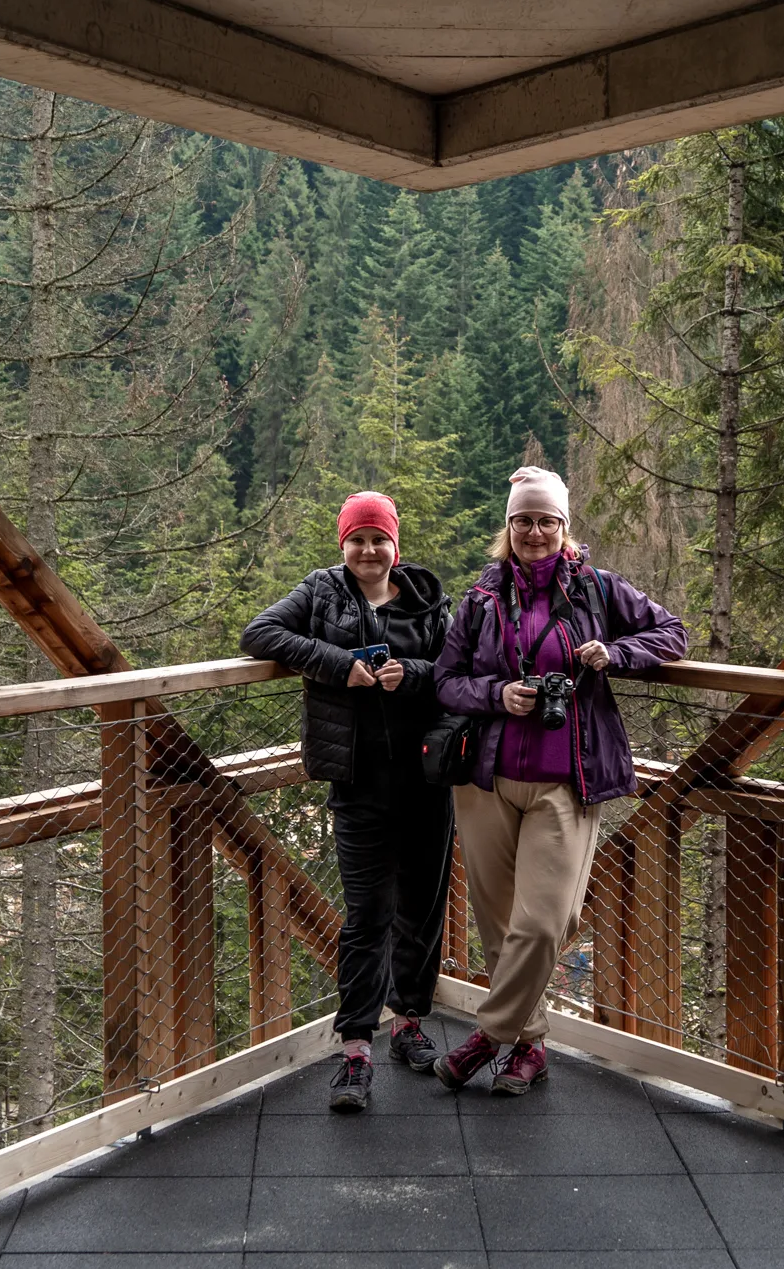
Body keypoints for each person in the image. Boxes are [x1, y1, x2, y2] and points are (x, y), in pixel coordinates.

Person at [431, 466, 687, 1095]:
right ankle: (530, 1046)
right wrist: (498, 693)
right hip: (486, 780)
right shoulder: (482, 598)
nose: (536, 532)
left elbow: (673, 634)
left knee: (545, 923)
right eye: (524, 520)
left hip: (564, 782)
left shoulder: (597, 591)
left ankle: (486, 1037)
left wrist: (617, 654)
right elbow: (445, 680)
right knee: (500, 925)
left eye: (547, 521)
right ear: (508, 527)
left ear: (565, 527)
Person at [240, 491, 453, 1112]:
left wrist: (411, 674)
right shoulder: (322, 592)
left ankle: (410, 1021)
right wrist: (339, 665)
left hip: (426, 778)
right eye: (356, 539)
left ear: (396, 545)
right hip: (357, 780)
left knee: (421, 907)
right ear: (343, 545)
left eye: (378, 539)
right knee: (366, 916)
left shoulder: (428, 601)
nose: (367, 550)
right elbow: (260, 633)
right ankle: (356, 1046)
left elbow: (456, 674)